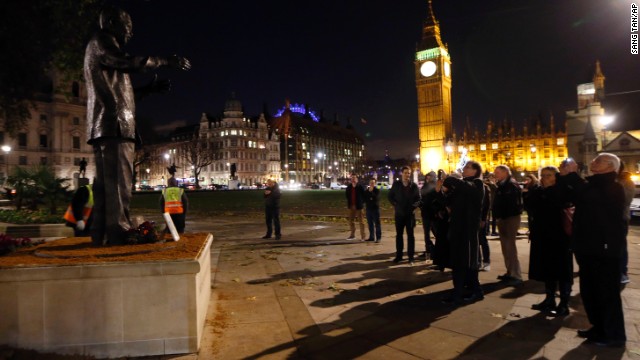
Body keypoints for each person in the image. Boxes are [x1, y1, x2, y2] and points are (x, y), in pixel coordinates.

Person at [84, 6, 190, 245]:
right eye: (127, 26)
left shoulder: (98, 47)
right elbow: (125, 62)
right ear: (111, 23)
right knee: (120, 183)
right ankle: (120, 232)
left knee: (105, 185)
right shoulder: (102, 41)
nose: (130, 32)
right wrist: (163, 60)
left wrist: (147, 91)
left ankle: (101, 233)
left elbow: (117, 92)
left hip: (105, 125)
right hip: (115, 126)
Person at [557, 154, 626, 347]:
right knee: (590, 291)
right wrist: (564, 177)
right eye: (594, 160)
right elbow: (569, 197)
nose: (593, 162)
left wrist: (572, 176)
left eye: (599, 160)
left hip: (604, 249)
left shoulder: (614, 186)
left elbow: (590, 197)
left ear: (611, 166)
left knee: (606, 292)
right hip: (587, 246)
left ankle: (613, 334)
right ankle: (598, 327)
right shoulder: (591, 183)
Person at [525, 166, 573, 317]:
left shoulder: (562, 191)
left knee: (563, 270)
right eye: (543, 175)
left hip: (560, 237)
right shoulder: (538, 191)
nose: (545, 177)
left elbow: (560, 204)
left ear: (556, 177)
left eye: (549, 175)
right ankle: (549, 299)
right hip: (542, 235)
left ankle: (564, 303)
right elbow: (529, 206)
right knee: (547, 269)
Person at [440, 161, 485, 305]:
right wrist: (442, 192)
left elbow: (468, 189)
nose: (464, 169)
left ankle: (473, 291)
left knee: (469, 261)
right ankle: (459, 292)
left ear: (475, 171)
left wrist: (451, 179)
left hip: (468, 229)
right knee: (458, 262)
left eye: (467, 167)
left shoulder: (477, 184)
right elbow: (448, 201)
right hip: (457, 228)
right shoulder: (462, 185)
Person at [492, 165, 524, 286]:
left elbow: (513, 204)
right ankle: (510, 272)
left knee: (510, 247)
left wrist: (502, 215)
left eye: (498, 172)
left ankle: (516, 274)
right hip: (503, 217)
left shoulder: (511, 185)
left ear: (505, 172)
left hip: (509, 218)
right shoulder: (503, 184)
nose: (496, 174)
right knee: (505, 247)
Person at [388, 166, 421, 265]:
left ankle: (411, 257)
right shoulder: (396, 185)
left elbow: (419, 199)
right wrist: (395, 205)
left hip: (410, 215)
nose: (407, 175)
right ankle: (399, 256)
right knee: (399, 235)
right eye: (406, 173)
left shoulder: (414, 186)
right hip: (399, 214)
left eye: (409, 173)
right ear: (402, 173)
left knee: (410, 236)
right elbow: (390, 196)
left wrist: (413, 207)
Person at [617, 162, 634, 284]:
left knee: (621, 246)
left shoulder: (626, 181)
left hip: (620, 218)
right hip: (603, 218)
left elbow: (626, 199)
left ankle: (622, 272)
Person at [419, 171, 437, 259]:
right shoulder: (425, 186)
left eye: (429, 176)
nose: (427, 178)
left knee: (437, 233)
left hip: (434, 214)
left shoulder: (435, 186)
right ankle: (428, 250)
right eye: (427, 176)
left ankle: (437, 250)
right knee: (426, 234)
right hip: (425, 213)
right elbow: (421, 197)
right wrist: (420, 205)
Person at [345, 174, 366, 240]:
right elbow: (347, 196)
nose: (353, 179)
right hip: (351, 206)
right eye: (352, 178)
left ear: (357, 179)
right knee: (351, 221)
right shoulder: (349, 187)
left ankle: (363, 236)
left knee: (361, 221)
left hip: (359, 206)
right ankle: (352, 235)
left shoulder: (360, 186)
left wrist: (361, 203)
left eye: (354, 178)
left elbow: (364, 195)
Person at [478, 178, 491, 271]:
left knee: (482, 240)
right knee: (476, 241)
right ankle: (478, 261)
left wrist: (483, 219)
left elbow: (486, 205)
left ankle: (486, 261)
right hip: (474, 218)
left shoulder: (485, 188)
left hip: (481, 218)